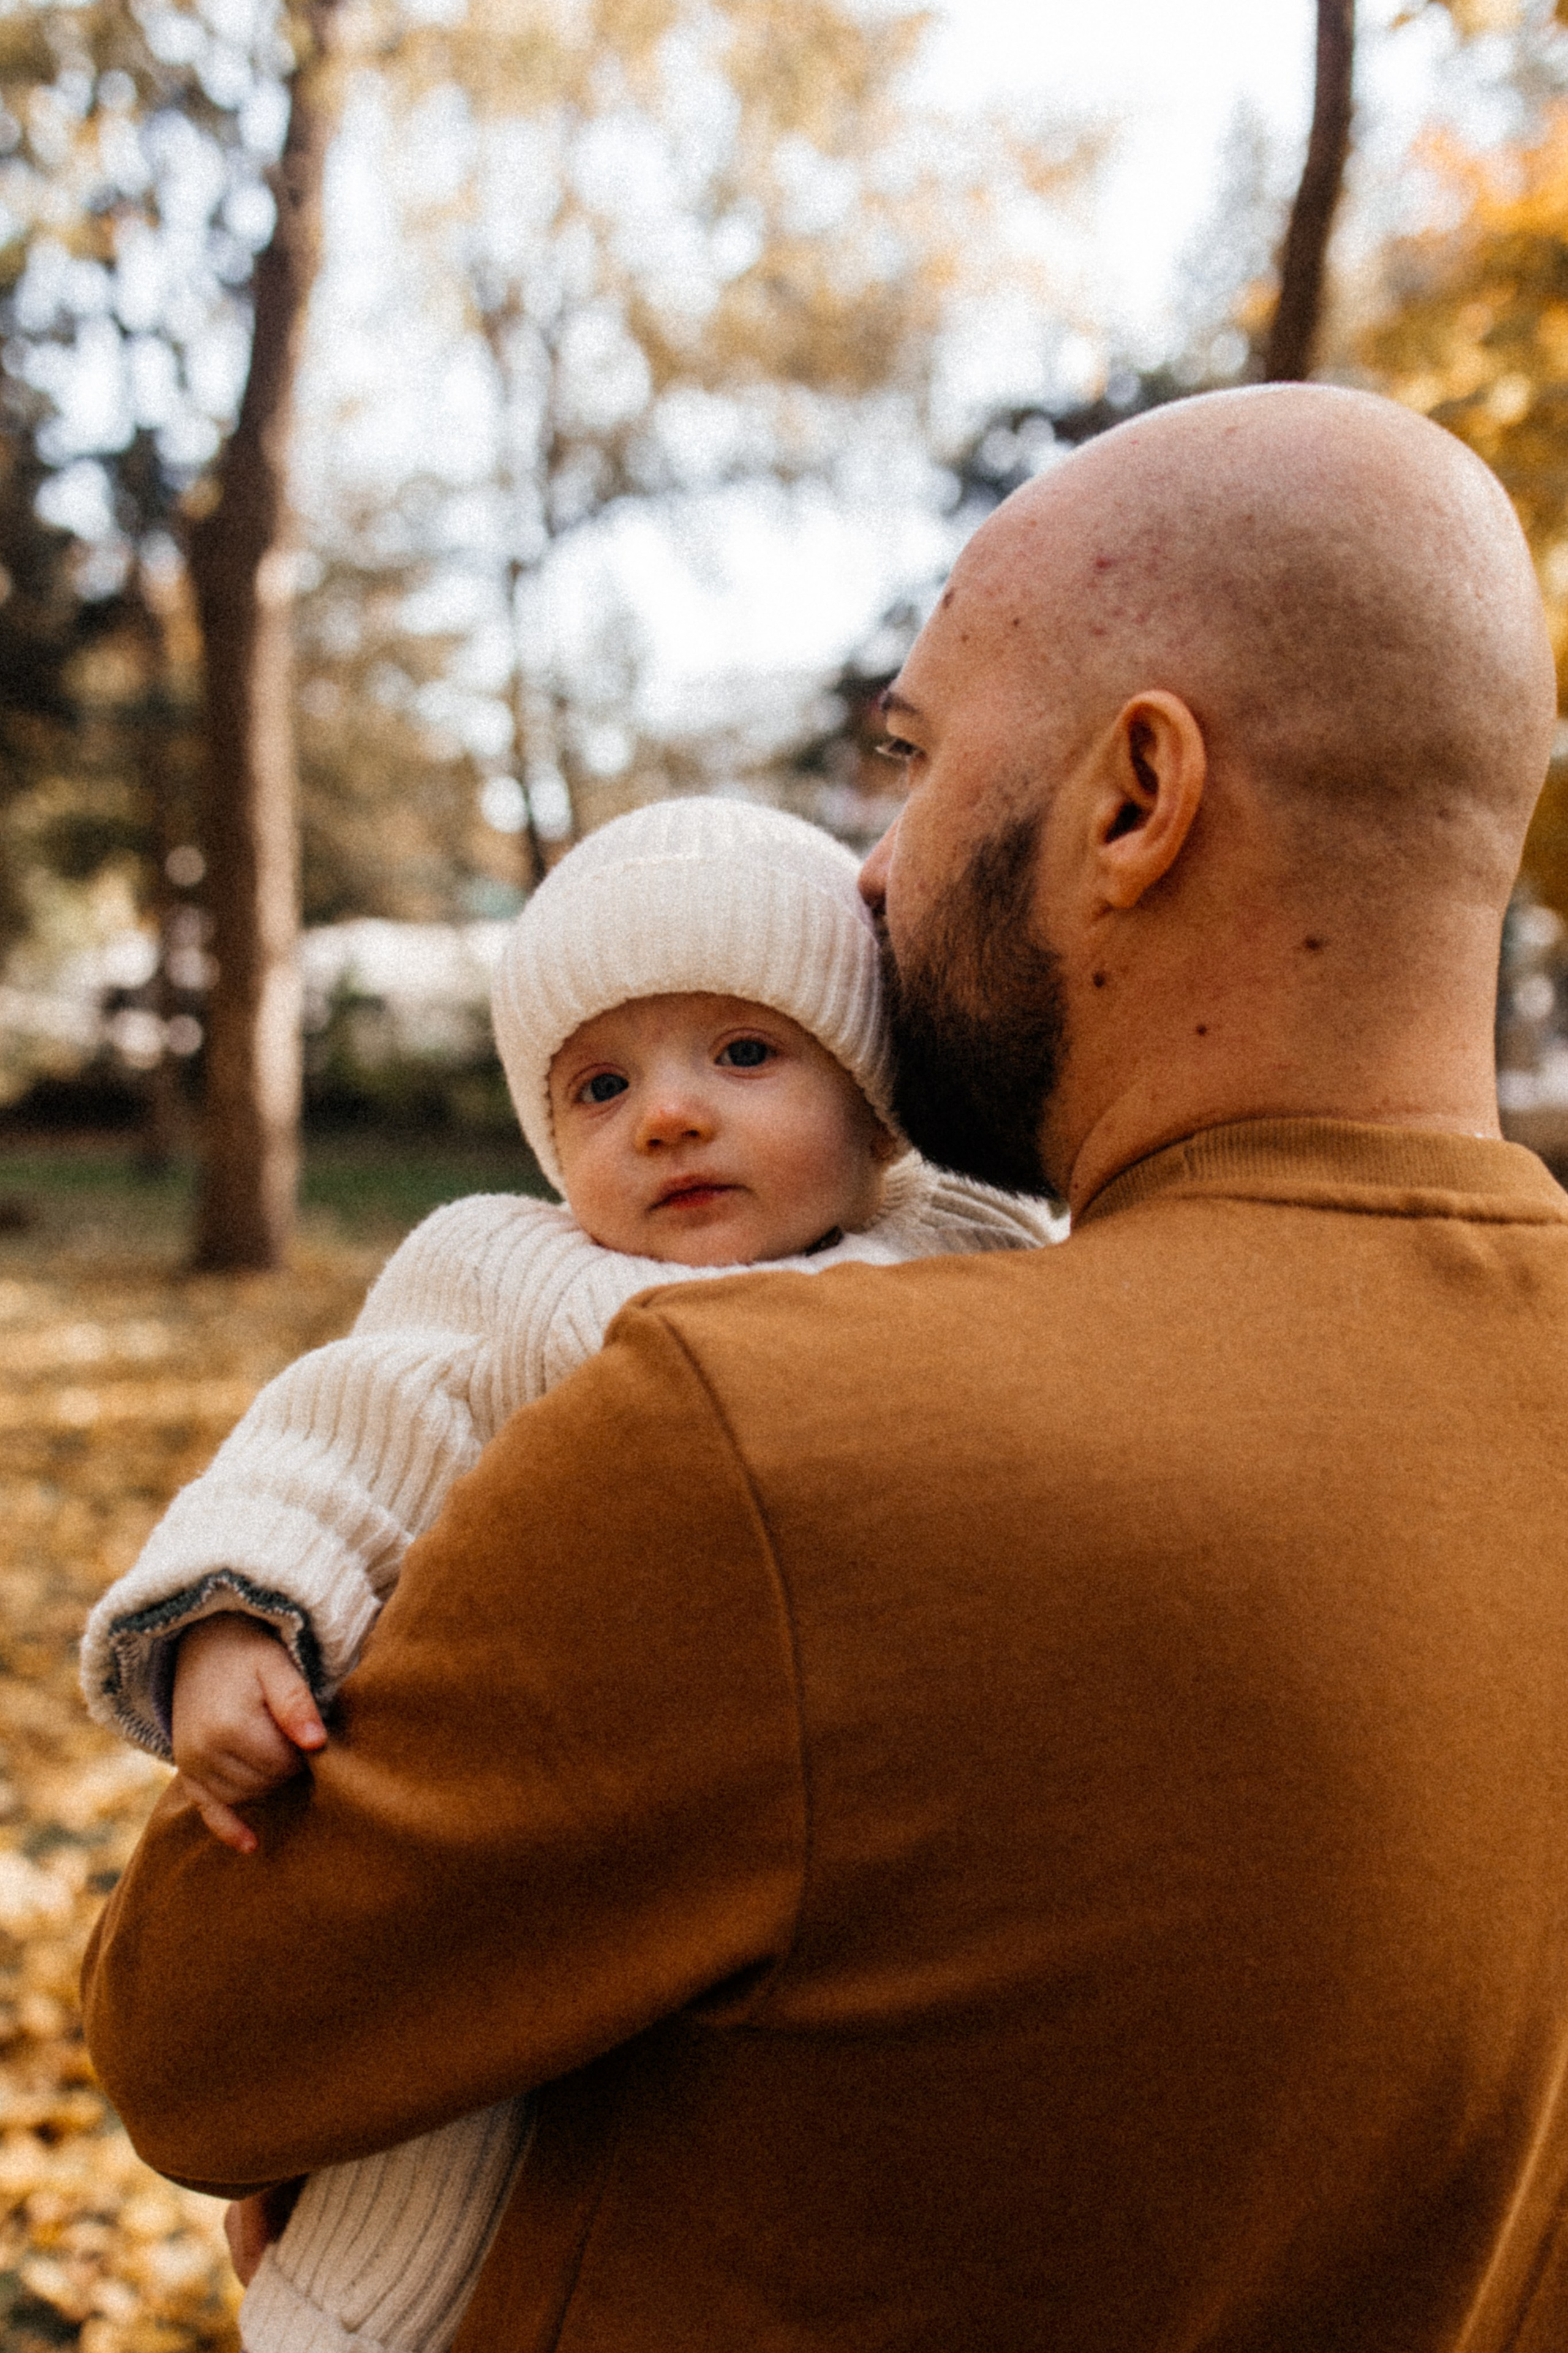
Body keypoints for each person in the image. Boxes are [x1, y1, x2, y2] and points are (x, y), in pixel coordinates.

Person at [83, 383, 1568, 2353]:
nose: (864, 875)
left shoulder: (769, 1427)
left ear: (1137, 799)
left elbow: (193, 2035)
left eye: (914, 759)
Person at [78, 794, 1050, 2353]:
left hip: (814, 1917)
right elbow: (339, 1433)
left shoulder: (968, 1248)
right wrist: (233, 1613)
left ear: (875, 1104)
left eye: (742, 1054)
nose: (665, 1114)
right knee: (422, 2168)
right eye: (600, 1084)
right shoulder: (510, 1269)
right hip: (523, 1838)